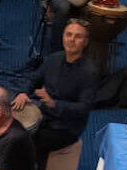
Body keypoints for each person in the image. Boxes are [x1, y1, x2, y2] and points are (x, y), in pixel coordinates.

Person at [32, 18, 103, 156]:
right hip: (44, 114)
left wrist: (54, 104)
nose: (71, 40)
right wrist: (23, 93)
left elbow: (84, 108)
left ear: (86, 42)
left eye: (78, 36)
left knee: (30, 141)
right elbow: (33, 79)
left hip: (66, 126)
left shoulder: (90, 71)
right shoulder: (53, 58)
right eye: (68, 34)